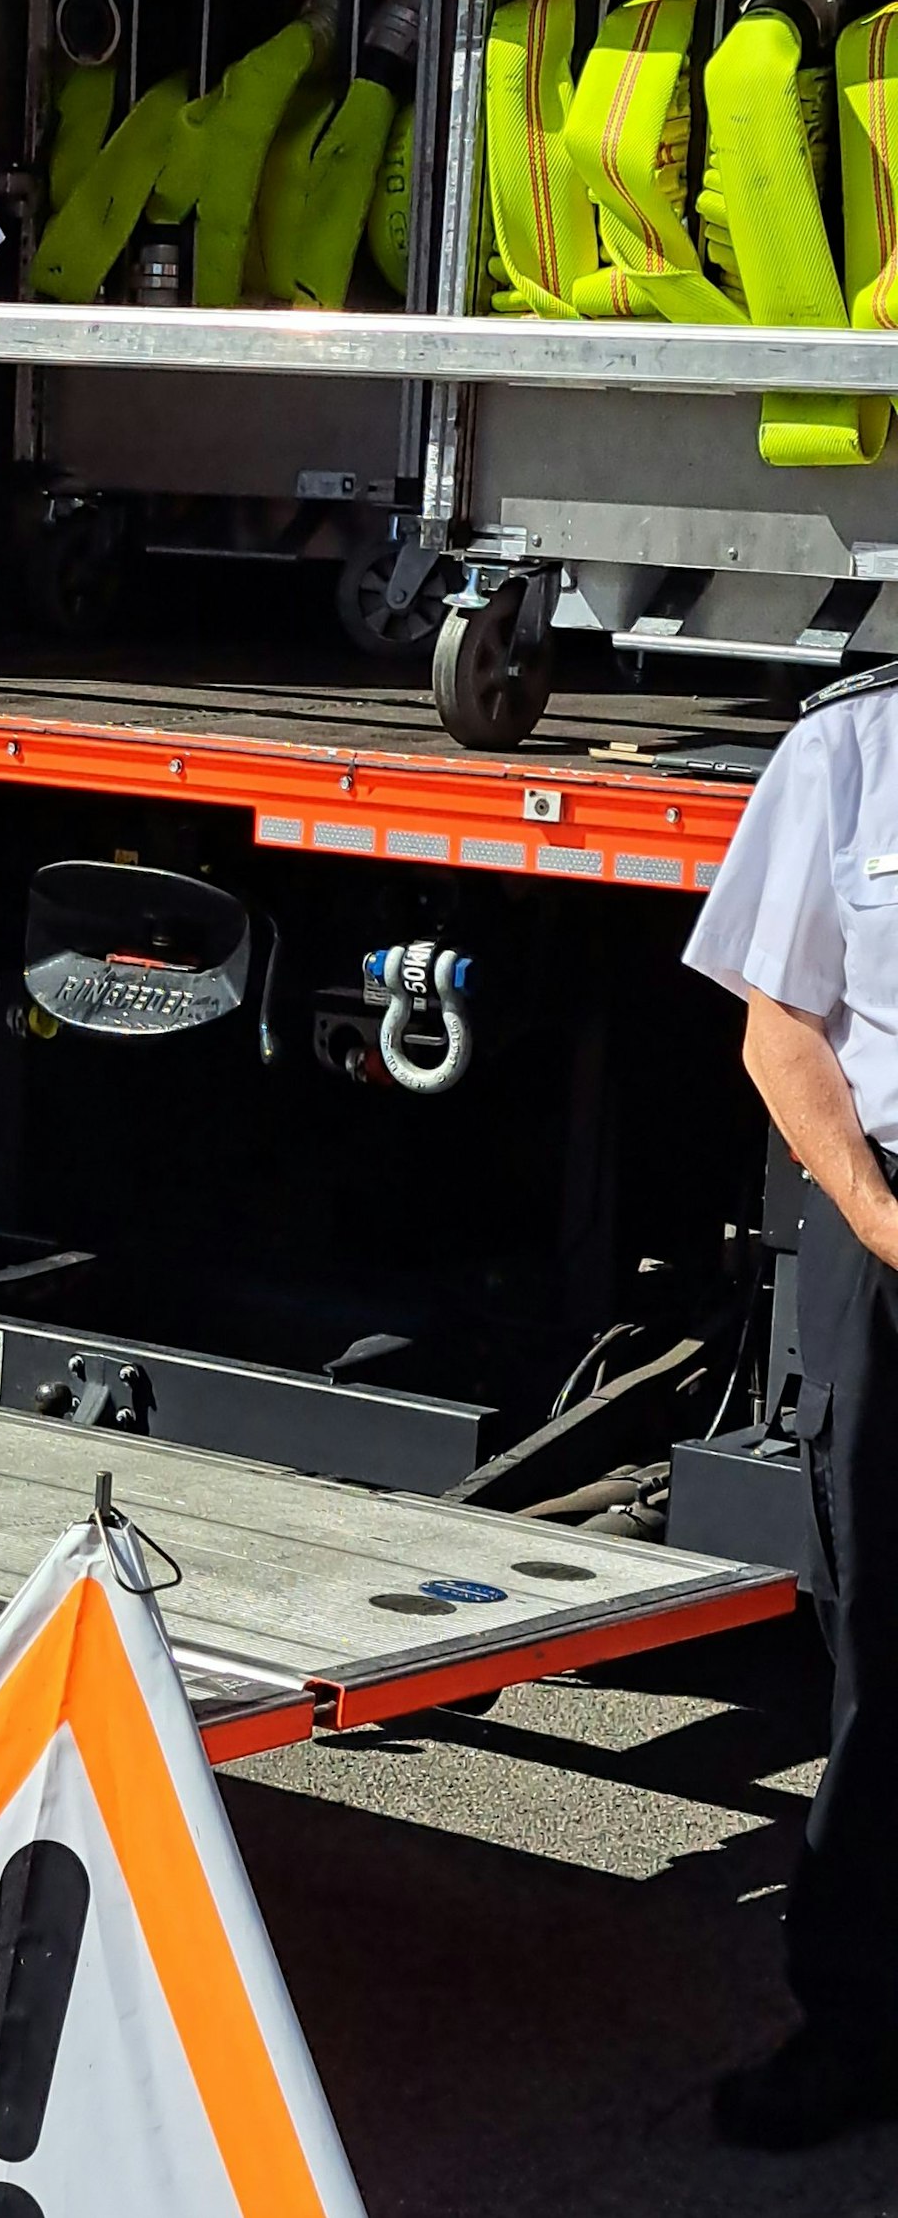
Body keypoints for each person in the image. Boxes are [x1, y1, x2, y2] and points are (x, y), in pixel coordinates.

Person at [686, 656, 898, 2148]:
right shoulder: (853, 745)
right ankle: (859, 2025)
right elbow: (781, 1026)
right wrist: (886, 1221)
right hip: (888, 1227)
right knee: (884, 1651)